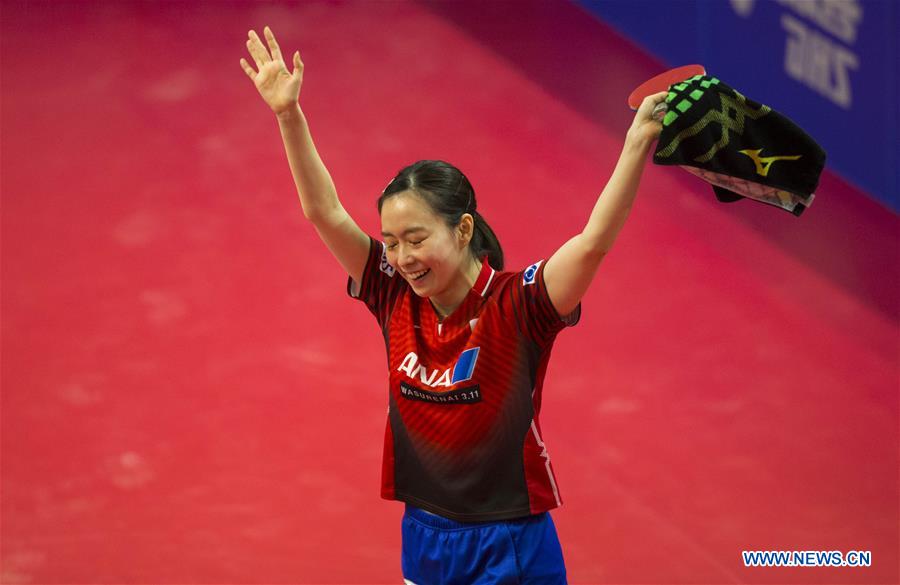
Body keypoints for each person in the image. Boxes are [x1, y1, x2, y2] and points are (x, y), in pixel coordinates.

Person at [241, 26, 666, 585]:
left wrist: (636, 144)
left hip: (508, 540)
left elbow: (592, 243)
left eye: (416, 239)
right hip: (424, 534)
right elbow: (324, 211)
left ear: (463, 229)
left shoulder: (521, 305)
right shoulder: (390, 290)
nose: (401, 256)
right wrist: (287, 114)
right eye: (390, 242)